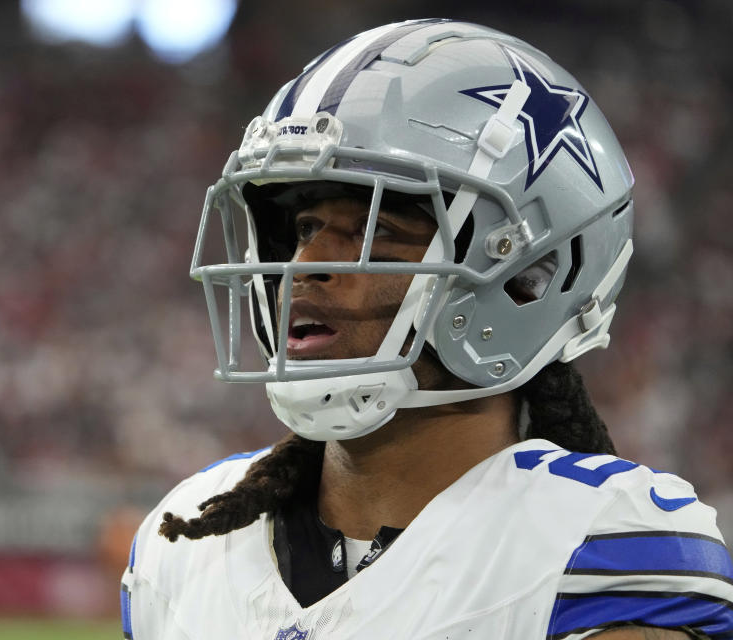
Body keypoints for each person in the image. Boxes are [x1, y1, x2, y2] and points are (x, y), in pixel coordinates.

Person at [120, 19, 733, 640]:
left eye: (374, 231)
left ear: (526, 275)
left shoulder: (598, 547)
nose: (306, 269)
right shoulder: (185, 540)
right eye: (305, 229)